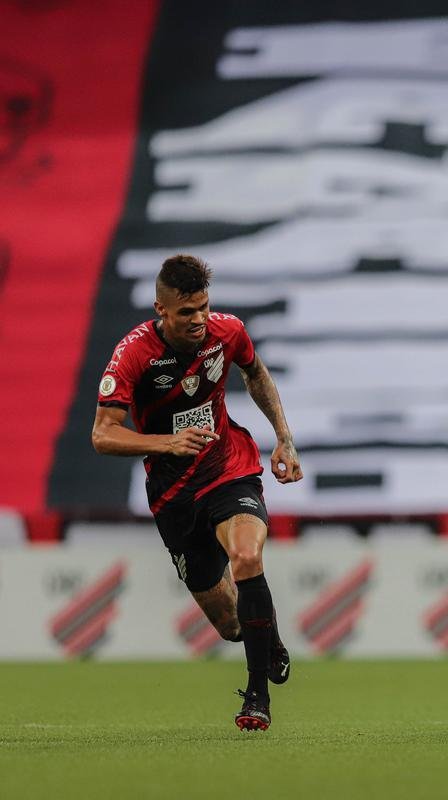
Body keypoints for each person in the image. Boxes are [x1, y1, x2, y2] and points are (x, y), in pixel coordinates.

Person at [91, 254, 302, 731]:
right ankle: (264, 640)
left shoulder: (227, 332)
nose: (199, 319)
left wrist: (284, 437)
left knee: (247, 557)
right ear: (161, 311)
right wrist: (167, 442)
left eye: (204, 307)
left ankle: (257, 697)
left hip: (229, 469)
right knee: (230, 625)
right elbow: (103, 434)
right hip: (174, 498)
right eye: (187, 312)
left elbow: (256, 373)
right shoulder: (134, 355)